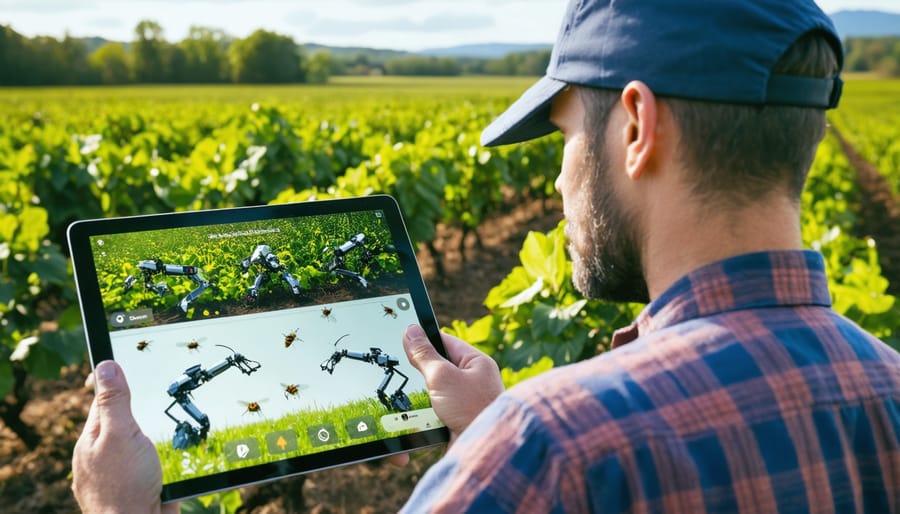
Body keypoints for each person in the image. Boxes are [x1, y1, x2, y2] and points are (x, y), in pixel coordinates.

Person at [73, 0, 900, 512]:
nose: (561, 176)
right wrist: (481, 425)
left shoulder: (548, 455)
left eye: (567, 136)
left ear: (637, 129)